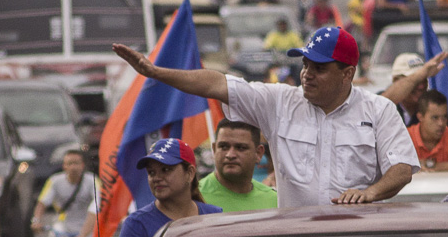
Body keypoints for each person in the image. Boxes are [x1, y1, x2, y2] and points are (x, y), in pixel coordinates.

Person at [112, 26, 421, 207]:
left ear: (348, 73)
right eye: (305, 65)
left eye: (319, 68)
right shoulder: (280, 102)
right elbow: (216, 83)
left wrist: (370, 193)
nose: (307, 75)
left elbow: (402, 169)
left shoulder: (378, 110)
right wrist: (156, 72)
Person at [114, 138, 222, 237]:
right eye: (151, 172)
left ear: (190, 173)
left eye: (166, 170)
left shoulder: (214, 216)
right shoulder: (136, 223)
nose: (157, 177)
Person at [32, 149, 102, 237]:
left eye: (76, 163)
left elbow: (96, 209)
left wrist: (83, 234)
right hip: (65, 225)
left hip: (87, 227)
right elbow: (42, 203)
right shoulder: (55, 181)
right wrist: (36, 221)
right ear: (64, 166)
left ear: (82, 165)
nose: (73, 167)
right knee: (53, 235)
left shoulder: (93, 181)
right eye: (69, 163)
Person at [199, 119, 278, 211]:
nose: (230, 155)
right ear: (214, 149)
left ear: (258, 153)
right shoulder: (195, 197)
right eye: (224, 147)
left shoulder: (274, 200)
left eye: (241, 148)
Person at [408, 89, 448, 171]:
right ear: (420, 117)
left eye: (444, 117)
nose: (441, 123)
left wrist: (434, 166)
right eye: (435, 118)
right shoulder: (406, 136)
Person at [380, 52, 426, 126]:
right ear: (396, 80)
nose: (421, 86)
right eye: (414, 80)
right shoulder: (378, 102)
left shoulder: (432, 107)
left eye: (423, 79)